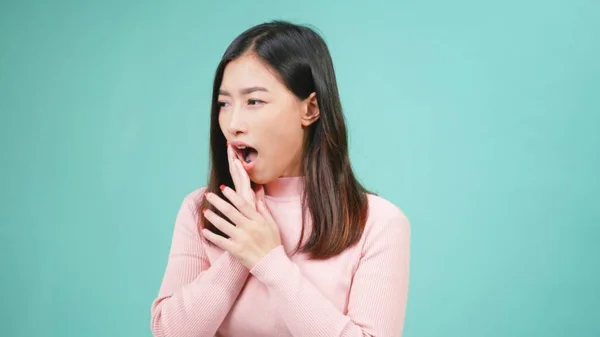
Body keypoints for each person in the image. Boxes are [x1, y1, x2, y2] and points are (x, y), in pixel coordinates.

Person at [150, 20, 411, 337]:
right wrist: (239, 252)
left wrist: (268, 261)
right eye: (224, 104)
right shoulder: (202, 210)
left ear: (310, 109)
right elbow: (170, 332)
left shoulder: (377, 223)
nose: (233, 124)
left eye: (254, 101)